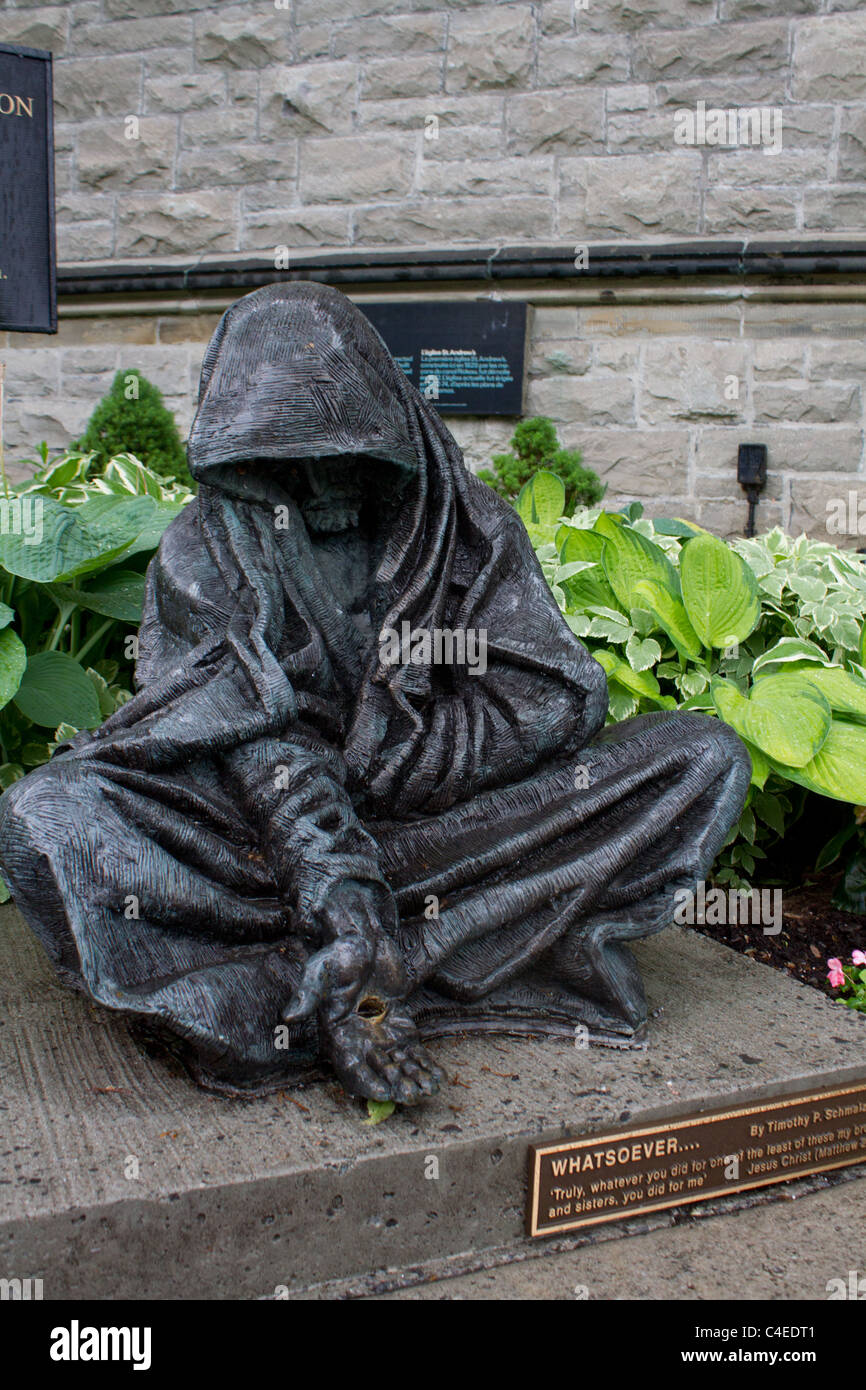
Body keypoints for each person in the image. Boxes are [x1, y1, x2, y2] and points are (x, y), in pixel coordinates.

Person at [0, 283, 751, 1105]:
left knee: (700, 758)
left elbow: (552, 699)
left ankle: (352, 976)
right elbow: (241, 735)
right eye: (294, 466)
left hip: (451, 830)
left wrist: (404, 760)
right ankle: (359, 950)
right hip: (270, 840)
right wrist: (340, 890)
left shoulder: (467, 527)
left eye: (350, 461)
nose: (326, 492)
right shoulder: (207, 545)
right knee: (53, 812)